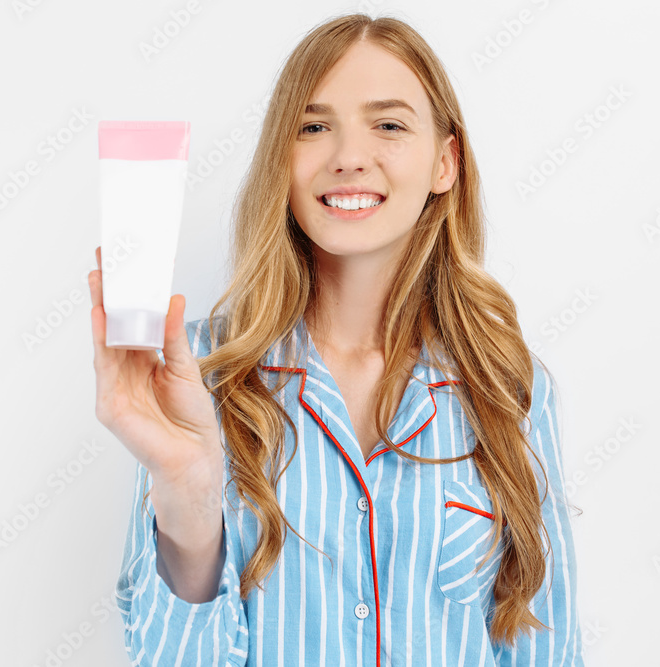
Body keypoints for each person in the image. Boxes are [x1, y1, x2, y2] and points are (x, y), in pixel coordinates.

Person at [87, 12, 584, 666]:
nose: (349, 155)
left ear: (445, 161)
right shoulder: (197, 378)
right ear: (282, 164)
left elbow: (548, 649)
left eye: (389, 124)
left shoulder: (509, 390)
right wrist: (185, 487)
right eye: (314, 126)